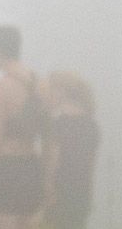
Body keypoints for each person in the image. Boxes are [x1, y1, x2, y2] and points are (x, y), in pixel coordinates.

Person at [0, 25, 50, 229]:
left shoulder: (0, 88)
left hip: (10, 170)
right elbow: (48, 137)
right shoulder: (41, 84)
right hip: (34, 168)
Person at [40, 70, 97, 229]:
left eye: (51, 90)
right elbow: (90, 167)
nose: (48, 95)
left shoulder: (58, 125)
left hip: (59, 195)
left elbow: (53, 162)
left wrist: (48, 191)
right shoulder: (91, 125)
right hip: (81, 195)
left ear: (61, 91)